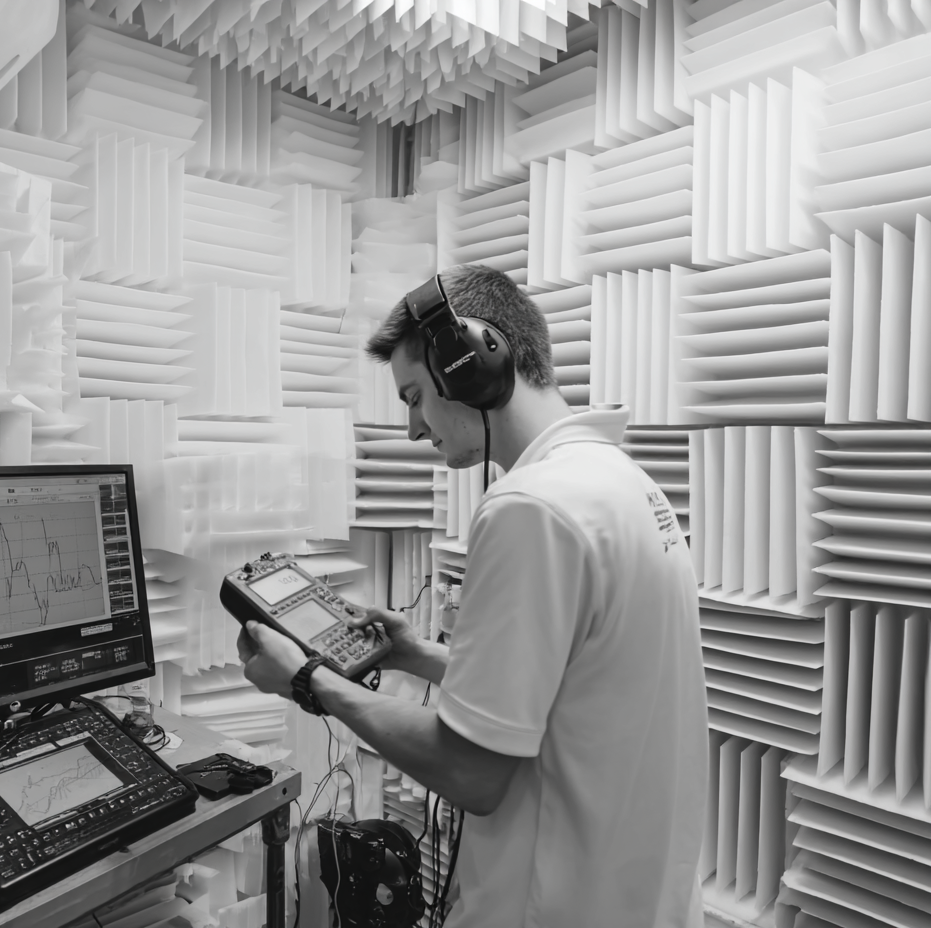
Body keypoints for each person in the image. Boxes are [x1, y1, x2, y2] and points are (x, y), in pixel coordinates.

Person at [238, 263, 708, 928]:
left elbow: (472, 774)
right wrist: (416, 656)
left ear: (470, 364)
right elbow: (573, 690)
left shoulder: (531, 506)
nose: (412, 429)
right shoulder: (621, 484)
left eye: (411, 398)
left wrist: (312, 680)